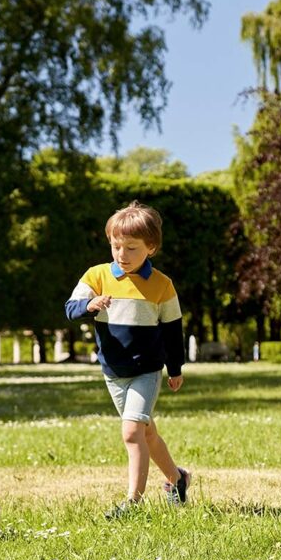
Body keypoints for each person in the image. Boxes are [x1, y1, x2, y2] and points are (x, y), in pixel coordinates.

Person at [65, 201, 190, 516]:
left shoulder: (162, 286)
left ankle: (132, 502)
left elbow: (173, 332)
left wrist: (174, 368)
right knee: (147, 432)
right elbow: (70, 307)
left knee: (132, 431)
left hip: (147, 371)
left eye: (131, 248)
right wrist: (90, 305)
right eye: (116, 246)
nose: (121, 254)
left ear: (151, 247)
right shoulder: (97, 276)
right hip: (113, 372)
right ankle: (177, 479)